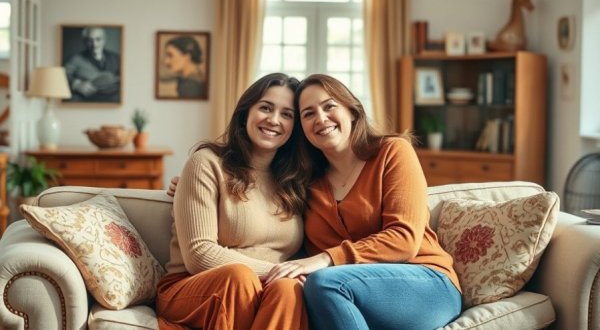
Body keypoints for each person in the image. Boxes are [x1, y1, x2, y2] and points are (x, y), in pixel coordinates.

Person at [262, 74, 463, 329]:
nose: (321, 119)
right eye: (308, 114)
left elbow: (405, 239)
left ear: (352, 112)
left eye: (329, 106)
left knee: (325, 282)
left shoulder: (392, 152)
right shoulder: (307, 184)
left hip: (427, 284)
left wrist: (325, 259)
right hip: (349, 295)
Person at [157, 73, 311, 330]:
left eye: (287, 114)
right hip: (193, 287)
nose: (274, 120)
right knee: (239, 278)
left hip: (266, 289)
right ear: (245, 112)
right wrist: (275, 270)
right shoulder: (206, 163)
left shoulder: (296, 179)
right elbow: (199, 255)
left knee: (289, 289)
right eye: (265, 107)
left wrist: (286, 276)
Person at [64, 26, 120, 102]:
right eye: (90, 40)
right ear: (84, 42)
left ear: (104, 40)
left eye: (98, 39)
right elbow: (63, 75)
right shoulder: (75, 59)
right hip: (86, 100)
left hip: (111, 100)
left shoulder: (116, 58)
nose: (94, 44)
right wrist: (76, 85)